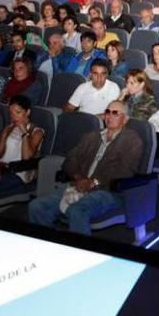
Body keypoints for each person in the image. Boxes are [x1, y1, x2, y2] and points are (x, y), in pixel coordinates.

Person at [29, 100, 141, 235]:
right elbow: (70, 160)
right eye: (107, 112)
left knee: (77, 210)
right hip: (79, 185)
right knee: (37, 206)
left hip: (108, 191)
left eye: (115, 113)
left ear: (125, 119)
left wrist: (93, 182)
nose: (109, 116)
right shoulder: (91, 136)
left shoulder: (132, 140)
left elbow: (124, 171)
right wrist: (78, 178)